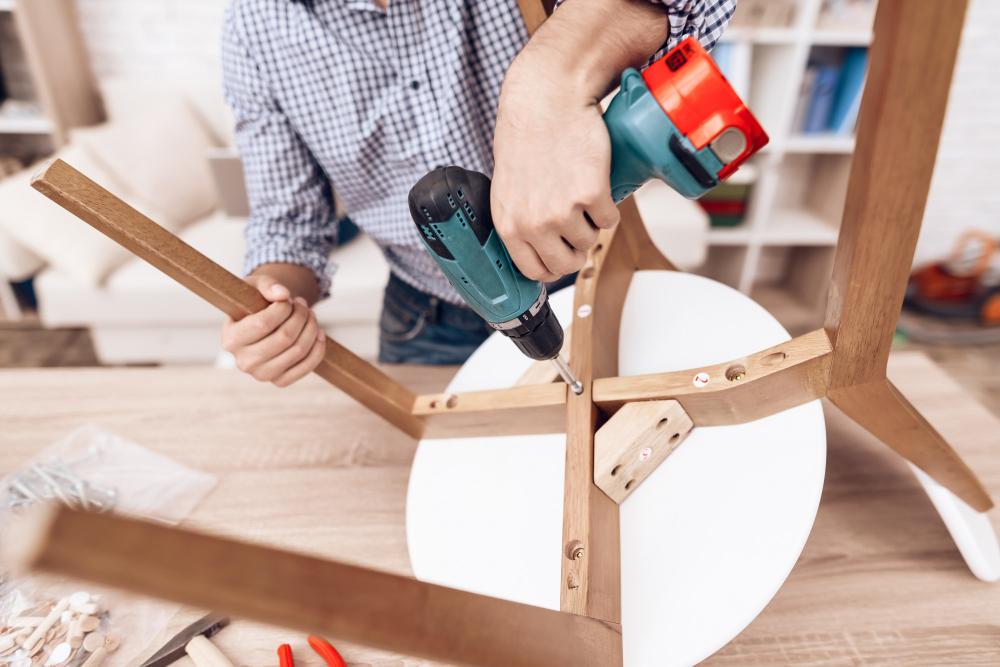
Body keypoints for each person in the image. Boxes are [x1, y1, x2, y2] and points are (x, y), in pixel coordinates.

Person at [220, 0, 735, 386]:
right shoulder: (254, 28)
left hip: (594, 280)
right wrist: (271, 304)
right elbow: (287, 227)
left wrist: (545, 83)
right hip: (424, 322)